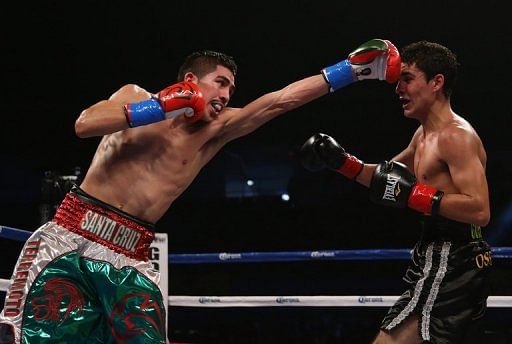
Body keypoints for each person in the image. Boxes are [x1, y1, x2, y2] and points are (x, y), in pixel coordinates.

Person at [0, 39, 400, 343]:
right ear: (190, 81)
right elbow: (84, 124)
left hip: (129, 253)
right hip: (69, 237)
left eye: (231, 90)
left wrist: (349, 71)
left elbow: (278, 102)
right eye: (220, 83)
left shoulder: (216, 131)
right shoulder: (135, 97)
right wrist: (160, 106)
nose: (226, 96)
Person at [301, 41, 492, 343]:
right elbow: (386, 178)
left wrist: (417, 195)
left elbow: (479, 210)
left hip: (452, 257)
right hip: (437, 254)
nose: (398, 89)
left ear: (436, 82)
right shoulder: (423, 135)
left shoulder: (456, 137)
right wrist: (341, 163)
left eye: (407, 78)